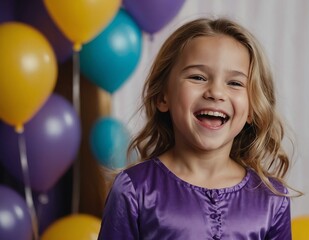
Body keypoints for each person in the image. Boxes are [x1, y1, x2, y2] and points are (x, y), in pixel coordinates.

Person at [98, 17, 297, 240]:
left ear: (252, 108)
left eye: (234, 83)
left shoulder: (271, 198)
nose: (215, 92)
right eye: (198, 77)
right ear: (163, 97)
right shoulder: (134, 189)